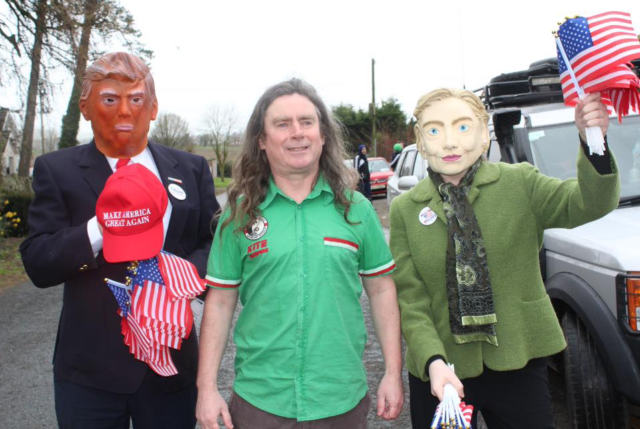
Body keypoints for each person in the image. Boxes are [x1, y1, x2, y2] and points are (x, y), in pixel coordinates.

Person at [389, 88, 620, 429]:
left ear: (484, 135)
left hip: (518, 360)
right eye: (435, 130)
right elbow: (410, 299)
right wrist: (433, 360)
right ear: (421, 142)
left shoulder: (520, 183)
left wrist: (593, 143)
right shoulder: (405, 211)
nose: (450, 142)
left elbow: (589, 202)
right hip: (441, 372)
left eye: (463, 127)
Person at [20, 52, 219, 429]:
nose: (125, 110)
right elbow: (37, 262)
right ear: (86, 107)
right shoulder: (57, 170)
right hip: (89, 372)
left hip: (172, 366)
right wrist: (99, 229)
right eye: (110, 99)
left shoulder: (190, 169)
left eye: (137, 98)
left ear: (154, 107)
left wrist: (180, 275)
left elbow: (216, 246)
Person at [196, 78, 403, 429]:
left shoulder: (358, 210)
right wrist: (206, 388)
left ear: (323, 135)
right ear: (262, 141)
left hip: (339, 399)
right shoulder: (238, 215)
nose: (297, 133)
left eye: (307, 122)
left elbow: (382, 290)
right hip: (261, 401)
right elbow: (218, 302)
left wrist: (392, 373)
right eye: (282, 124)